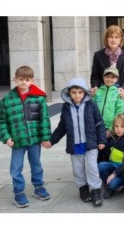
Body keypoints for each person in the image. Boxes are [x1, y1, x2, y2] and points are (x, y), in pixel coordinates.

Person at [43, 77, 106, 206]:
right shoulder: (66, 108)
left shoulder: (91, 105)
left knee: (92, 167)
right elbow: (62, 127)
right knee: (78, 168)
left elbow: (99, 123)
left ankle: (95, 190)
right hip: (75, 144)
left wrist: (102, 139)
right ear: (69, 93)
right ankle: (83, 188)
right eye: (74, 92)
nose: (77, 95)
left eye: (80, 92)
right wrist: (51, 141)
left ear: (85, 93)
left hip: (91, 143)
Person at [0, 66, 51, 208]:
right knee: (15, 168)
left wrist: (45, 138)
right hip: (17, 141)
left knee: (36, 165)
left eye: (27, 80)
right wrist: (6, 137)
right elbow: (1, 121)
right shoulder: (6, 101)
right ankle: (19, 192)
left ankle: (39, 187)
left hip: (34, 139)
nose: (23, 82)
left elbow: (44, 119)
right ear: (15, 79)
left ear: (32, 80)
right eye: (20, 79)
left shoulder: (39, 98)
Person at [90, 25, 124, 101]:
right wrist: (95, 86)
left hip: (120, 94)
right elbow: (95, 76)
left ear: (121, 39)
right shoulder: (98, 55)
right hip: (103, 95)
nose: (113, 40)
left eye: (116, 37)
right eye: (111, 37)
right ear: (106, 39)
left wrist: (123, 88)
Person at [93, 67, 124, 162]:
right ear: (103, 77)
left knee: (107, 153)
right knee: (97, 154)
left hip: (110, 130)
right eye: (107, 76)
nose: (109, 79)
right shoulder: (97, 92)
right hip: (97, 129)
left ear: (116, 79)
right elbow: (92, 110)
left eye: (112, 77)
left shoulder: (118, 93)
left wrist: (111, 130)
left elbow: (119, 113)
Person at [98, 114, 124, 198]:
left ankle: (121, 184)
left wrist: (114, 174)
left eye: (122, 126)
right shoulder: (114, 137)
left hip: (123, 170)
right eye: (116, 126)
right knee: (101, 166)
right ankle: (108, 184)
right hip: (113, 164)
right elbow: (107, 152)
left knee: (113, 184)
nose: (119, 129)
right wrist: (106, 140)